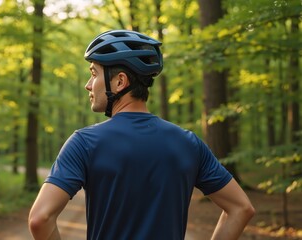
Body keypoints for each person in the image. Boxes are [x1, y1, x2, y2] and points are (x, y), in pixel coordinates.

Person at [28, 30, 255, 240]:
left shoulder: (85, 143)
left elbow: (40, 219)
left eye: (94, 74)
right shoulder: (189, 143)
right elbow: (241, 208)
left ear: (119, 82)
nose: (88, 85)